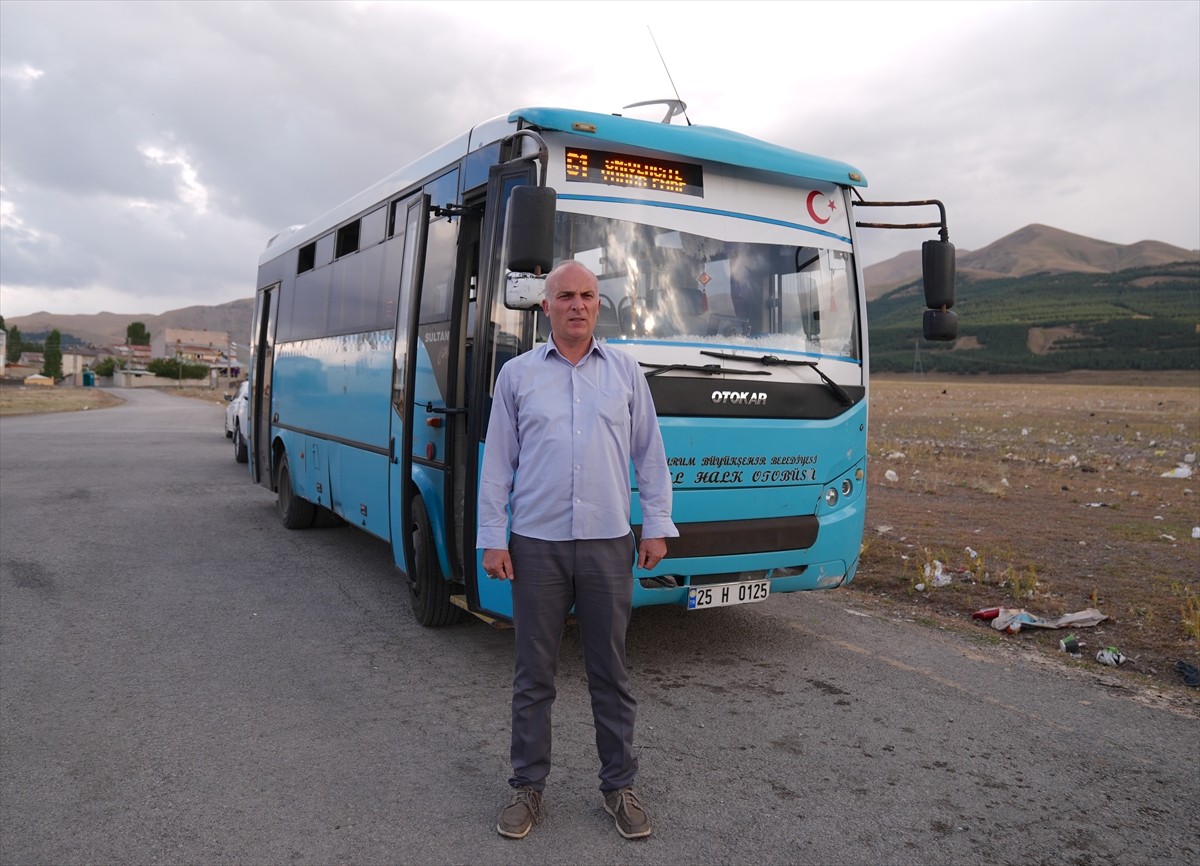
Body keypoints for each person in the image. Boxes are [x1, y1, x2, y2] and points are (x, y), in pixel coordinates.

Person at [477, 259, 678, 841]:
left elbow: (650, 454)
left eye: (587, 295)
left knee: (609, 672)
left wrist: (657, 525)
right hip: (535, 545)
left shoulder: (625, 372)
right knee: (533, 675)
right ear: (546, 307)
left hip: (607, 544)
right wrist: (493, 537)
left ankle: (619, 787)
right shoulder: (516, 376)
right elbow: (497, 465)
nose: (577, 305)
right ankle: (526, 788)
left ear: (598, 304)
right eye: (565, 295)